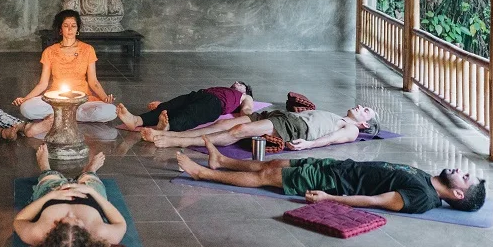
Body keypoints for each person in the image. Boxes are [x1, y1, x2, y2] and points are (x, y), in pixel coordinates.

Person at [177, 140, 486, 214]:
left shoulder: (423, 199)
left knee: (269, 176)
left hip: (335, 183)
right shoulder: (430, 179)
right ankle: (221, 160)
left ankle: (202, 173)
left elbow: (375, 201)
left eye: (466, 179)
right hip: (339, 167)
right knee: (278, 163)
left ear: (458, 195)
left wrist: (330, 198)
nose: (462, 172)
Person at [13, 145, 126, 247]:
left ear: (53, 232)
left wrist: (50, 196)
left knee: (49, 178)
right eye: (77, 221)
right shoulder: (100, 234)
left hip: (54, 194)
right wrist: (91, 192)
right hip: (90, 197)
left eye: (62, 221)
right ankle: (91, 170)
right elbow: (121, 223)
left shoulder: (39, 233)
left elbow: (19, 220)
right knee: (90, 179)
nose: (71, 214)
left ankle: (45, 167)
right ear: (88, 236)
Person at [13, 10, 117, 123]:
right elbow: (42, 84)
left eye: (73, 26)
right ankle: (70, 115)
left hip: (81, 100)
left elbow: (93, 81)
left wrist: (105, 98)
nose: (70, 29)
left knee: (111, 110)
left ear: (78, 29)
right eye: (66, 25)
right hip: (56, 100)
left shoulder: (88, 49)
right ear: (60, 29)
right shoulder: (50, 51)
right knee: (26, 108)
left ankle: (63, 116)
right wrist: (25, 99)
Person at [142, 104, 380, 150]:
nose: (360, 106)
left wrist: (309, 144)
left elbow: (330, 139)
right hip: (280, 115)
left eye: (366, 110)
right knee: (225, 123)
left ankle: (176, 141)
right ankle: (172, 133)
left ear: (365, 123)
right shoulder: (339, 115)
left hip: (292, 127)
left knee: (237, 132)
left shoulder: (353, 129)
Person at [115, 82, 253, 133]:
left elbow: (247, 110)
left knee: (190, 114)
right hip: (200, 94)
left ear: (246, 91)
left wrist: (249, 123)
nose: (236, 82)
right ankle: (136, 120)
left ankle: (167, 127)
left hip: (214, 104)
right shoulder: (225, 90)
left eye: (241, 84)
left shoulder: (245, 97)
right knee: (169, 106)